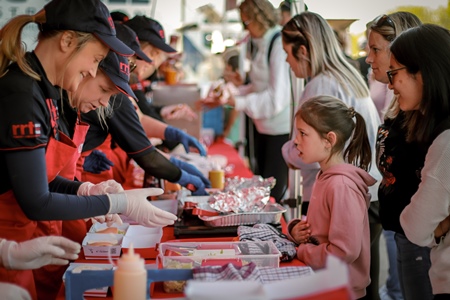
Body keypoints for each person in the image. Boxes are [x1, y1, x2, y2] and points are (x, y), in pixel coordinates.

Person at [0, 0, 177, 298]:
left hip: (20, 243)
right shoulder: (22, 92)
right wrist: (117, 204)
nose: (93, 70)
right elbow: (36, 200)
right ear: (68, 41)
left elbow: (34, 176)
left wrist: (82, 190)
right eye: (95, 59)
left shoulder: (46, 92)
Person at [280, 12, 383, 299]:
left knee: (354, 282)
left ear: (303, 50)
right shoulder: (347, 75)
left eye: (287, 54)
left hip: (347, 190)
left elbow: (341, 251)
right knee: (363, 281)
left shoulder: (321, 85)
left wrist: (288, 151)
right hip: (365, 189)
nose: (287, 63)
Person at [286, 95, 376, 299]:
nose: (296, 140)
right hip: (325, 284)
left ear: (329, 140)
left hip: (341, 290)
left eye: (302, 133)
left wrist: (302, 251)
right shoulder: (325, 177)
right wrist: (297, 229)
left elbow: (343, 251)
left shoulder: (341, 186)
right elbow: (323, 230)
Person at [201, 0, 292, 202]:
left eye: (247, 22)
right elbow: (255, 86)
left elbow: (276, 98)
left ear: (259, 19)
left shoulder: (278, 43)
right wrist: (231, 93)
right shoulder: (254, 43)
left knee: (272, 193)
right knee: (259, 181)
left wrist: (237, 101)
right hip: (260, 125)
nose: (245, 28)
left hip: (279, 129)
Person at [365, 12, 427, 300]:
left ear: (399, 47)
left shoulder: (422, 114)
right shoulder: (398, 104)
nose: (368, 58)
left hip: (416, 238)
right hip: (403, 231)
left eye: (375, 49)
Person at [386, 24, 450, 299]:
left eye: (394, 73)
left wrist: (438, 227)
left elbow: (415, 226)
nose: (390, 84)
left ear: (421, 72)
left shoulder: (446, 141)